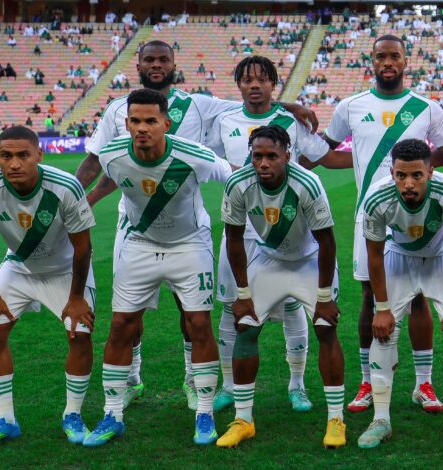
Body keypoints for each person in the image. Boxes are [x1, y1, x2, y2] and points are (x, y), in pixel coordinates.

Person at [77, 40, 318, 412]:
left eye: (163, 60)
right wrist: (78, 199)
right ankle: (131, 380)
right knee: (128, 314)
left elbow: (252, 104)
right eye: (149, 60)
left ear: (174, 65)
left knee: (191, 311)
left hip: (186, 226)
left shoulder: (200, 105)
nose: (156, 65)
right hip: (134, 224)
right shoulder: (116, 110)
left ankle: (193, 380)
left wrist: (291, 106)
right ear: (137, 65)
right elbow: (98, 162)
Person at [323, 34, 443, 414]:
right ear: (372, 61)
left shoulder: (427, 108)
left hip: (421, 217)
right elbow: (325, 152)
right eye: (381, 56)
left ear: (406, 61)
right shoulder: (350, 106)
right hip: (370, 214)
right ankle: (367, 381)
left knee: (419, 297)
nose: (388, 62)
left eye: (394, 55)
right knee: (370, 298)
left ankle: (423, 382)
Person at [82, 89, 232, 447]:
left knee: (198, 323)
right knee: (121, 324)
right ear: (126, 123)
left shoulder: (194, 156)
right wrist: (85, 201)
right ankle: (112, 414)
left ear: (166, 123)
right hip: (140, 243)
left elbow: (234, 177)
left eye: (150, 121)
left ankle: (205, 412)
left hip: (189, 244)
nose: (142, 128)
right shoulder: (112, 154)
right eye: (135, 121)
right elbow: (111, 177)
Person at [206, 56, 351, 414]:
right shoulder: (224, 119)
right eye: (247, 80)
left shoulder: (290, 120)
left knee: (291, 304)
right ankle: (229, 385)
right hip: (240, 227)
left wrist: (366, 158)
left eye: (262, 79)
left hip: (286, 228)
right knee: (232, 307)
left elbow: (320, 156)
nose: (254, 85)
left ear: (274, 83)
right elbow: (208, 158)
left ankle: (297, 385)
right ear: (239, 85)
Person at [0, 126, 96, 449]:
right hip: (19, 267)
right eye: (6, 155)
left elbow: (83, 248)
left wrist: (76, 298)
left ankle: (73, 415)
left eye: (23, 155)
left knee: (79, 333)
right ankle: (5, 420)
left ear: (39, 154)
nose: (14, 163)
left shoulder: (65, 187)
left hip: (65, 270)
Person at [216, 125, 346, 449]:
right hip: (269, 259)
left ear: (287, 156)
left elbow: (327, 242)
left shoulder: (307, 183)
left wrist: (324, 297)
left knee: (325, 328)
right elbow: (234, 239)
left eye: (271, 156)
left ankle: (335, 419)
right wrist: (242, 295)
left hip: (309, 261)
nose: (263, 163)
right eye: (257, 156)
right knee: (246, 326)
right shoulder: (238, 183)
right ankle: (243, 420)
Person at [358, 139, 443, 449]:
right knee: (384, 333)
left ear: (431, 172)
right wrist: (381, 308)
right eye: (401, 175)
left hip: (440, 258)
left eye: (417, 175)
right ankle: (381, 419)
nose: (408, 183)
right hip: (398, 258)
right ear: (392, 173)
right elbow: (374, 256)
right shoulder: (377, 198)